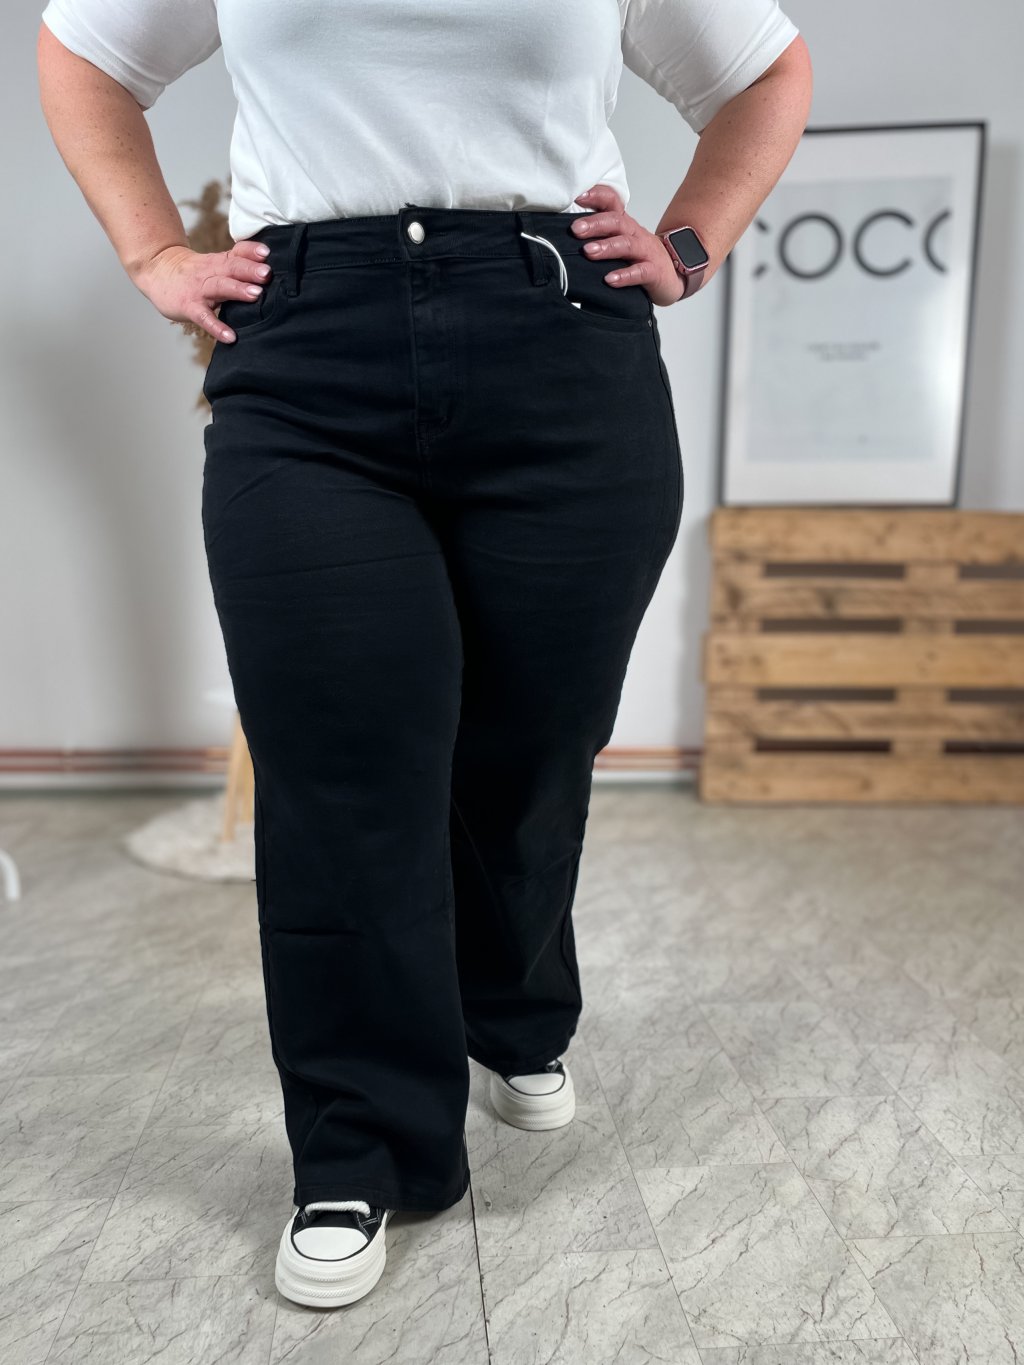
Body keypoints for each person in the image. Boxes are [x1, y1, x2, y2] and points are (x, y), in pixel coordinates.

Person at [37, 0, 812, 1310]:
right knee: (344, 768)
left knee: (532, 744)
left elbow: (766, 74)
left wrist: (689, 241)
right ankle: (361, 1148)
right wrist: (155, 249)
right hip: (308, 362)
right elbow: (83, 53)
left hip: (562, 349)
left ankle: (509, 1011)